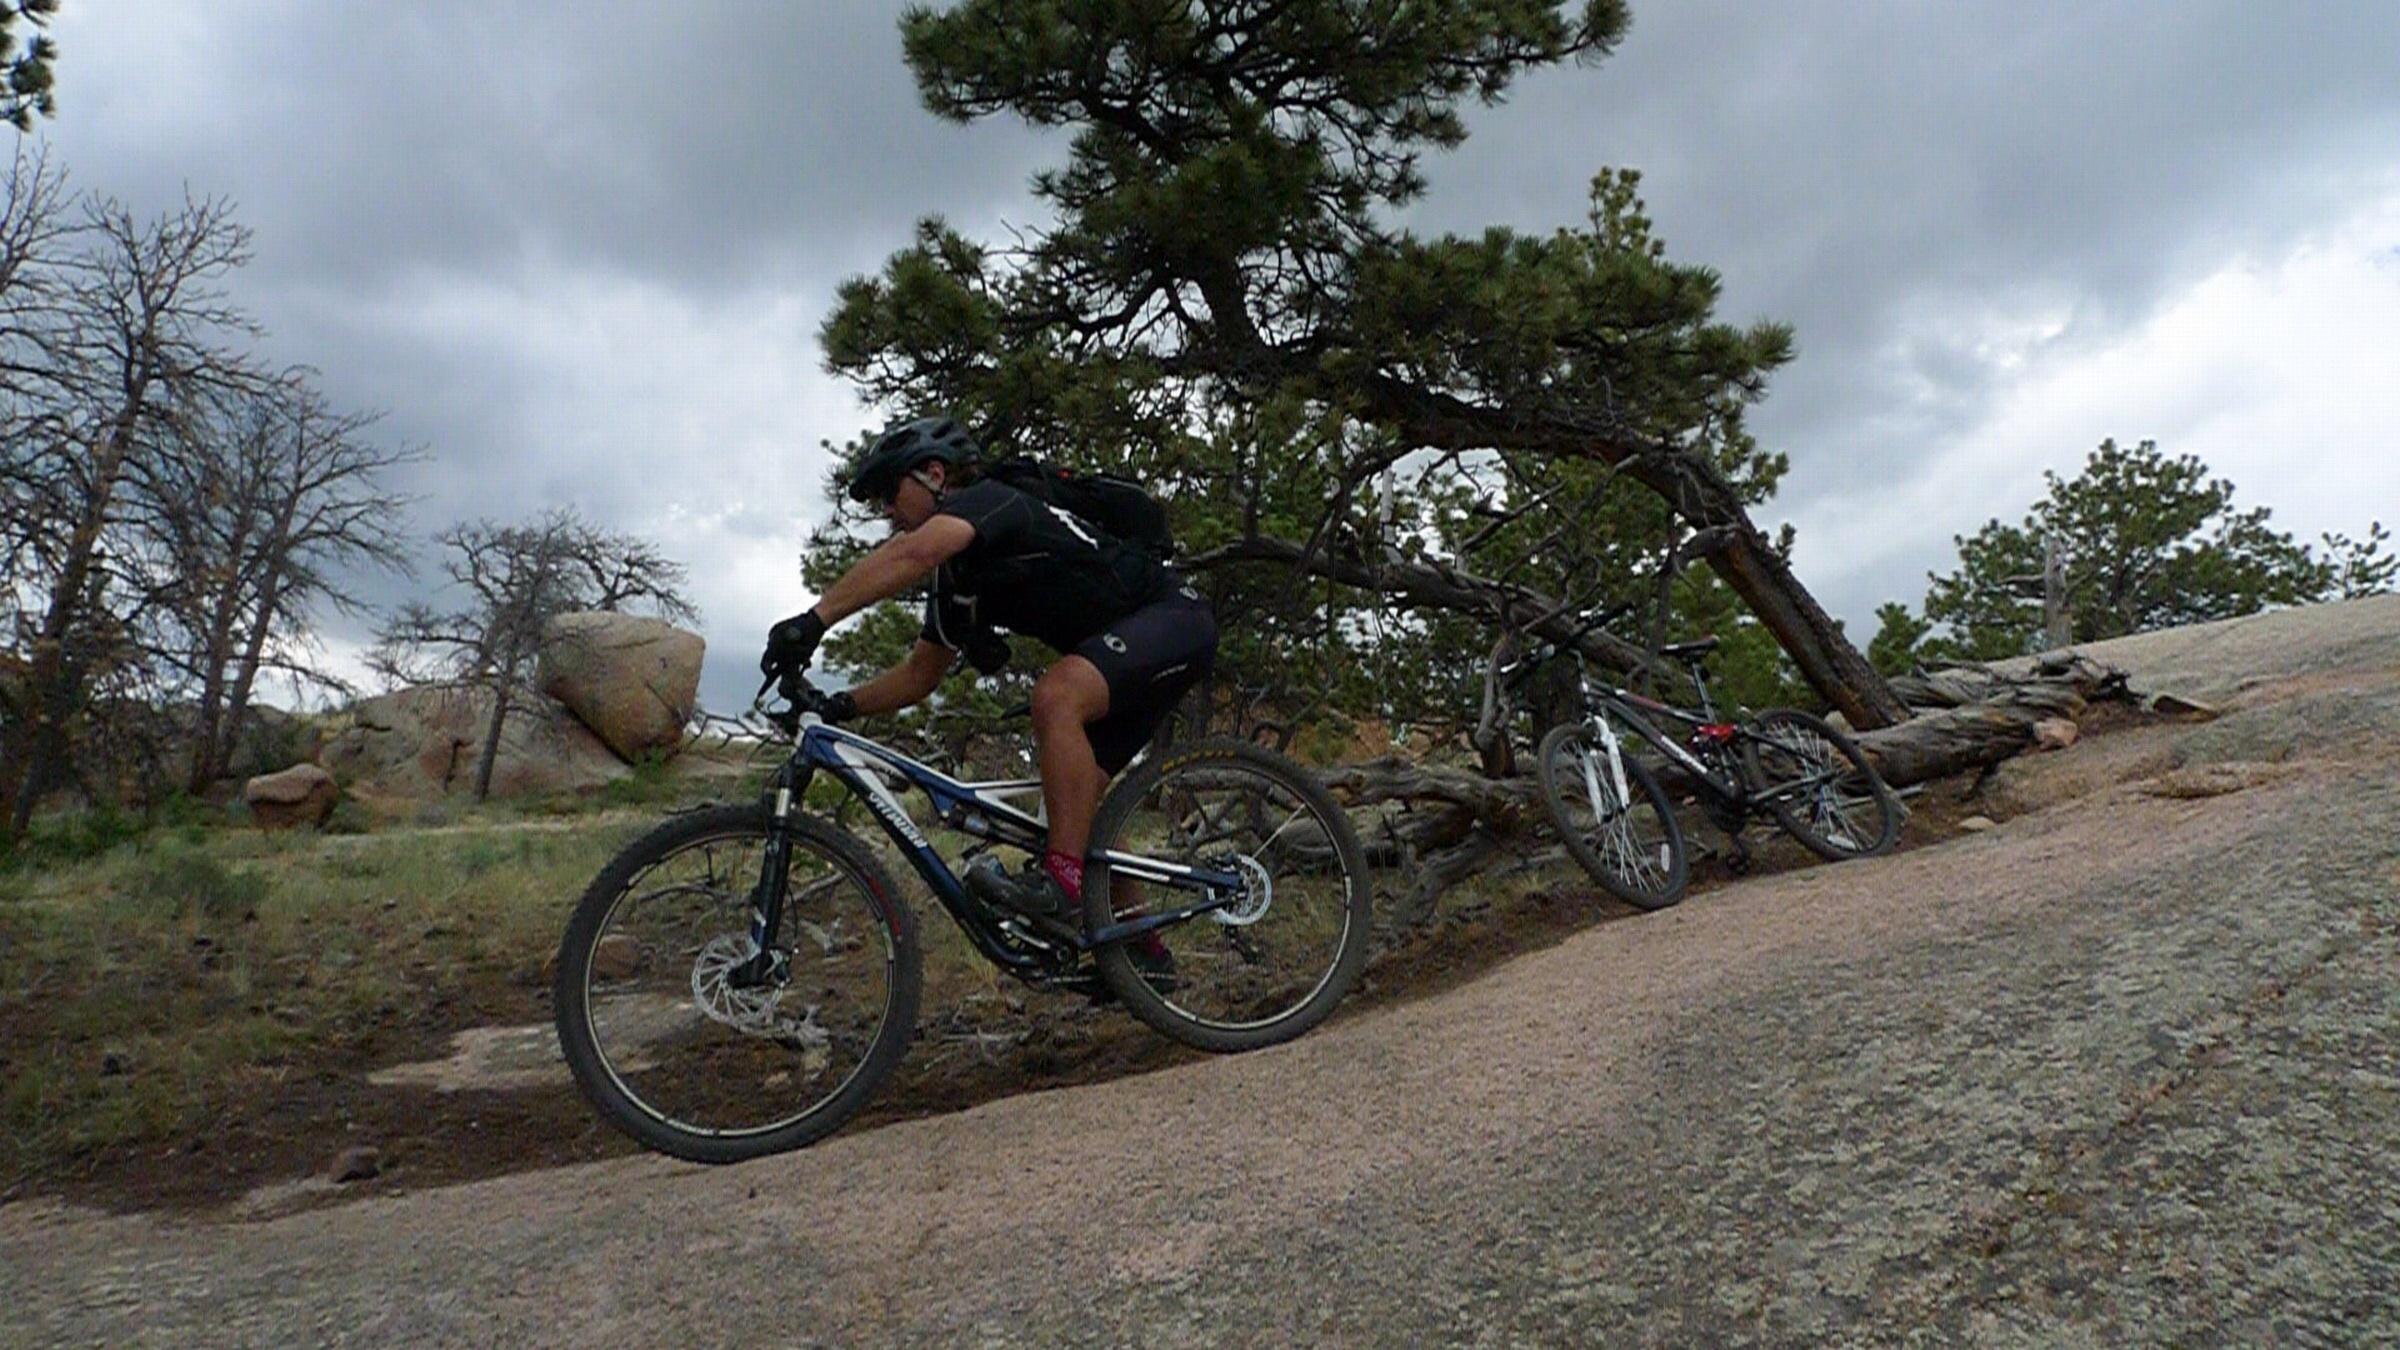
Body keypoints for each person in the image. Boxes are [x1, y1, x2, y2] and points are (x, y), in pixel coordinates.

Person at [759, 415, 1215, 965]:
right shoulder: (959, 585)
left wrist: (814, 620)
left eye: (889, 491)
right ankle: (1144, 957)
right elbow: (920, 676)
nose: (885, 511)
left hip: (1172, 616)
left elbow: (913, 553)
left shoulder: (989, 500)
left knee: (1056, 696)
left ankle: (1061, 886)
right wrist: (839, 705)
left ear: (933, 474)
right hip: (1132, 654)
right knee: (1077, 806)